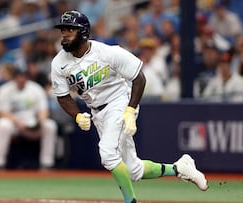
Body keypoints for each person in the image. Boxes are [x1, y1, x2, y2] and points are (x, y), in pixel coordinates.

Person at [51, 10, 208, 203]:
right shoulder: (59, 63)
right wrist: (76, 115)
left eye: (70, 30)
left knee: (107, 153)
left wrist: (130, 109)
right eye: (62, 30)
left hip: (119, 102)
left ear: (83, 32)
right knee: (134, 170)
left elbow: (139, 78)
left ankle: (130, 201)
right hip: (98, 112)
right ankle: (179, 168)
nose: (64, 34)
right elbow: (63, 96)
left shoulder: (107, 52)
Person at [0, 67, 57, 170]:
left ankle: (47, 163)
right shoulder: (5, 89)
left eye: (24, 76)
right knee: (2, 124)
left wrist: (40, 121)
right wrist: (18, 123)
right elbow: (1, 112)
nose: (21, 79)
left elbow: (44, 110)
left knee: (50, 125)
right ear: (14, 77)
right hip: (13, 124)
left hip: (31, 124)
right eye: (19, 76)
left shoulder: (36, 89)